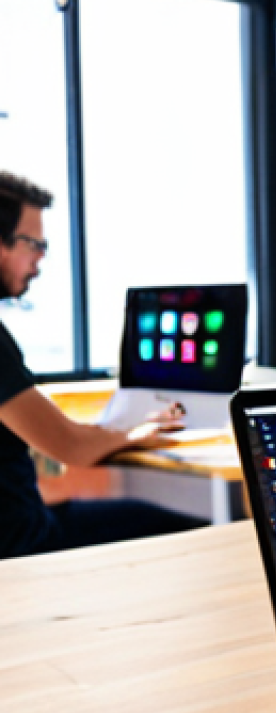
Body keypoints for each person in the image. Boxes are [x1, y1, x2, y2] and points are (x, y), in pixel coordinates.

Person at [0, 171, 206, 558]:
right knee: (193, 533)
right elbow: (70, 446)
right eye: (34, 244)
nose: (40, 258)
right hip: (24, 547)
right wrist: (135, 433)